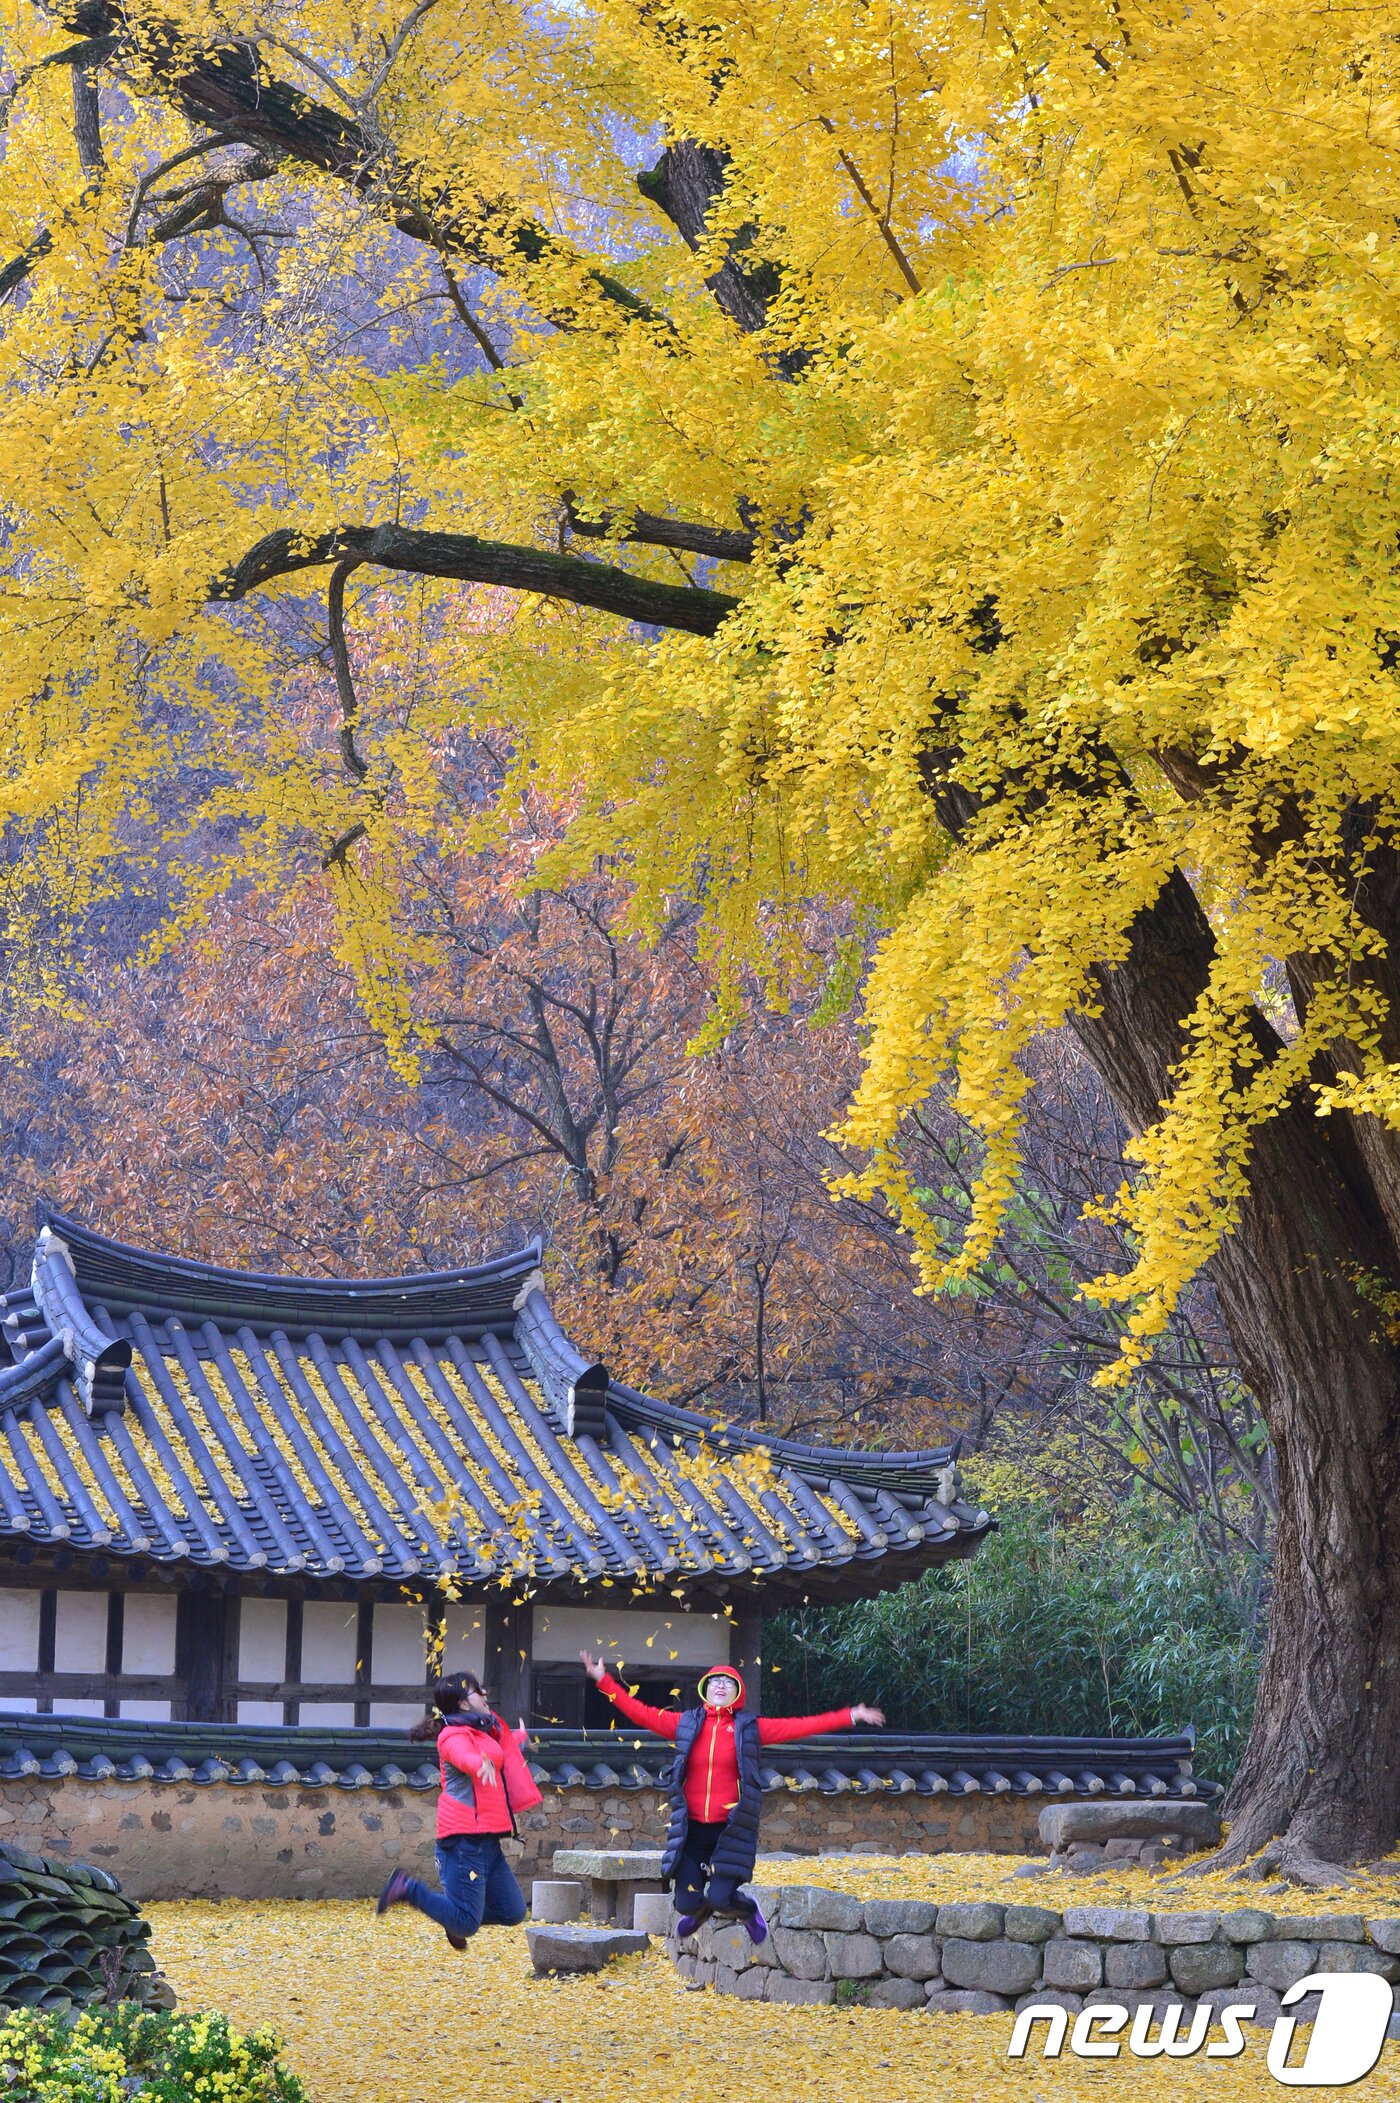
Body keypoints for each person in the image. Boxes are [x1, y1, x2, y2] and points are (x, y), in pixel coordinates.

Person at [581, 1649, 884, 1943]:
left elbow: (799, 1726)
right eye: (715, 1681)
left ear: (737, 1692)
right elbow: (639, 1712)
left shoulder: (749, 1728)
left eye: (728, 1682)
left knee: (721, 1897)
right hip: (693, 1831)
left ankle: (749, 1910)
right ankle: (698, 1914)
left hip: (730, 1829)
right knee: (685, 1903)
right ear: (705, 1688)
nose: (721, 1685)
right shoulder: (685, 1724)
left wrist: (851, 1715)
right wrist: (602, 1679)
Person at [375, 1670, 541, 1949]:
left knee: (513, 1912)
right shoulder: (451, 1735)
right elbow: (463, 1756)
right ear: (464, 1704)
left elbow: (496, 1746)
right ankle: (407, 1888)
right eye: (479, 1691)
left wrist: (518, 1739)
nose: (486, 1694)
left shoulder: (483, 1730)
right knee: (466, 1923)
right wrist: (479, 1764)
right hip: (463, 1842)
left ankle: (452, 1917)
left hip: (488, 1839)